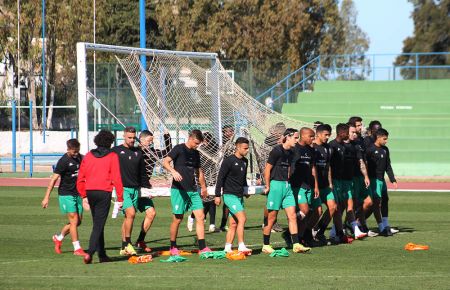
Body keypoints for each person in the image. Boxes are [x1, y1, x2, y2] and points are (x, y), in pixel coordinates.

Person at [77, 130, 124, 264]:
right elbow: (117, 178)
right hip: (104, 192)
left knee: (98, 223)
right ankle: (90, 253)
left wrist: (83, 194)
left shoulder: (88, 156)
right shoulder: (112, 156)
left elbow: (80, 177)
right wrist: (120, 198)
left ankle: (102, 254)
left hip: (90, 191)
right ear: (110, 142)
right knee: (98, 225)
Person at [163, 129, 212, 255]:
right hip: (179, 190)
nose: (197, 146)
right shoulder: (178, 148)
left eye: (198, 144)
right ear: (190, 138)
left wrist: (204, 187)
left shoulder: (196, 154)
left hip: (193, 190)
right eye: (196, 143)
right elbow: (165, 162)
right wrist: (173, 171)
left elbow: (199, 172)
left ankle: (202, 247)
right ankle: (173, 246)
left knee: (200, 217)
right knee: (178, 218)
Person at [262, 128, 310, 254]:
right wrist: (267, 185)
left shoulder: (292, 152)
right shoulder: (276, 150)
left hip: (286, 186)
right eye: (295, 137)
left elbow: (289, 167)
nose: (297, 140)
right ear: (287, 137)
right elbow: (267, 170)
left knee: (293, 215)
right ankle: (265, 245)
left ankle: (296, 244)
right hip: (276, 185)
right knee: (272, 218)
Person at [41, 138, 86, 256]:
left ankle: (58, 237)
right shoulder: (63, 161)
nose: (76, 154)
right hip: (66, 194)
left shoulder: (81, 158)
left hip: (78, 193)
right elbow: (53, 179)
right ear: (68, 149)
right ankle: (77, 248)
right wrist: (46, 197)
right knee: (74, 220)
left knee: (78, 222)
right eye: (74, 152)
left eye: (78, 151)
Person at [112, 126, 150, 256]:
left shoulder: (138, 152)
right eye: (129, 137)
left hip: (136, 189)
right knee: (131, 214)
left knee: (129, 217)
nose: (132, 140)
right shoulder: (116, 151)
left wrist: (147, 187)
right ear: (124, 136)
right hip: (123, 189)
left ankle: (124, 247)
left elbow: (142, 172)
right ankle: (128, 244)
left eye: (134, 138)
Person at [134, 129, 172, 252]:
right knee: (129, 216)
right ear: (141, 140)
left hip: (145, 189)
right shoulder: (135, 152)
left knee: (151, 213)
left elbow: (168, 152)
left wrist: (167, 136)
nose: (151, 143)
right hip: (132, 188)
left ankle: (140, 241)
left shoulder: (153, 152)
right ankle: (126, 245)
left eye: (152, 141)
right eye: (149, 141)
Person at [329, 124, 368, 240]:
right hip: (337, 181)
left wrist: (365, 176)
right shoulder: (333, 145)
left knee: (350, 206)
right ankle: (333, 231)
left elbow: (360, 161)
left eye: (355, 133)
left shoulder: (354, 147)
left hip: (348, 181)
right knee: (339, 207)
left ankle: (355, 231)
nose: (354, 135)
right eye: (352, 132)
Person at [312, 124, 349, 244]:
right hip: (314, 186)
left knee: (333, 207)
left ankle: (320, 232)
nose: (327, 137)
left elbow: (328, 167)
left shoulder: (328, 148)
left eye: (329, 135)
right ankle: (306, 233)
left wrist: (330, 183)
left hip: (326, 186)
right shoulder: (312, 147)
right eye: (325, 135)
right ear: (318, 134)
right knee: (315, 212)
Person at [215, 137, 252, 254]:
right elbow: (220, 178)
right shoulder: (228, 161)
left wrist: (246, 190)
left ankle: (227, 247)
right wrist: (217, 195)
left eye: (248, 148)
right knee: (242, 218)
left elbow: (243, 177)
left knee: (233, 223)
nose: (247, 150)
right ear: (238, 147)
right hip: (229, 195)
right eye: (245, 148)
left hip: (239, 196)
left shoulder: (245, 161)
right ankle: (241, 245)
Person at [288, 128, 321, 247]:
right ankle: (290, 231)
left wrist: (316, 185)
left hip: (309, 185)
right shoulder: (294, 149)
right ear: (303, 136)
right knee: (305, 210)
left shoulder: (311, 150)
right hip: (297, 185)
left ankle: (300, 237)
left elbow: (313, 168)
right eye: (311, 136)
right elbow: (289, 167)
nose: (313, 139)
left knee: (312, 212)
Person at [365, 128, 398, 236]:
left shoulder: (385, 150)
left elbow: (388, 165)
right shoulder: (370, 150)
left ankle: (385, 224)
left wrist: (392, 179)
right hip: (374, 180)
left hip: (381, 180)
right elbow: (365, 165)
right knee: (375, 203)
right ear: (378, 137)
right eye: (384, 139)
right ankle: (380, 227)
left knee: (385, 200)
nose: (386, 141)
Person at [188, 132, 220, 233]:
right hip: (201, 176)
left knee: (212, 200)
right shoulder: (198, 150)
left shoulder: (214, 150)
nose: (205, 142)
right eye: (204, 140)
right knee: (204, 202)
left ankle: (212, 224)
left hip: (212, 176)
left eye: (207, 140)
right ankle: (192, 217)